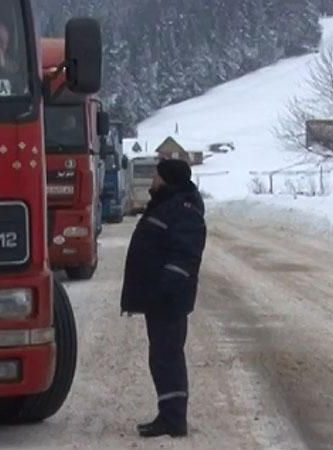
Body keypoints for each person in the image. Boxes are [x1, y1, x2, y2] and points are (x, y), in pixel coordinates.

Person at [120, 158, 207, 438]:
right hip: (160, 297)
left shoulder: (182, 209)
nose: (153, 181)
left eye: (156, 176)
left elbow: (185, 255)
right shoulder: (168, 204)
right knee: (161, 357)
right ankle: (168, 414)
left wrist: (165, 288)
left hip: (169, 299)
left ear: (167, 180)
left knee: (167, 357)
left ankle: (173, 420)